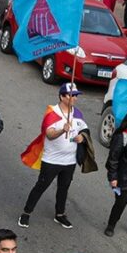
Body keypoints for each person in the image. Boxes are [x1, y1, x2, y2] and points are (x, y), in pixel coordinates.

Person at [19, 83, 89, 230]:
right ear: (62, 96)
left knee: (64, 188)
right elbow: (49, 135)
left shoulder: (77, 113)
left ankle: (60, 214)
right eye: (71, 95)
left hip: (69, 161)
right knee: (41, 186)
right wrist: (62, 130)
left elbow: (84, 129)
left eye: (76, 95)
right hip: (51, 160)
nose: (74, 98)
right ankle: (26, 212)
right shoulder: (52, 113)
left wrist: (82, 137)